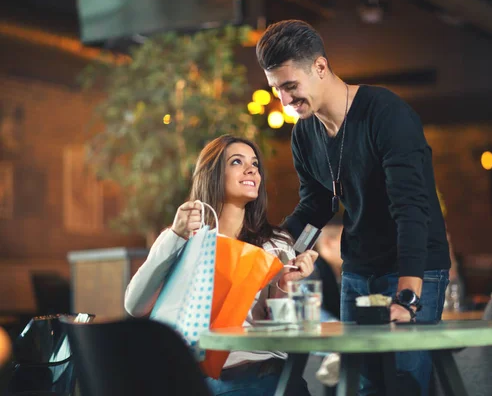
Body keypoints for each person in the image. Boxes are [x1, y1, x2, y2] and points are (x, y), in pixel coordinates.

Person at [256, 20, 451, 395]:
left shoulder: (386, 114)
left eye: (290, 86)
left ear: (320, 67)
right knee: (361, 385)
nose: (283, 101)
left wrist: (409, 295)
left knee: (405, 383)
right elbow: (317, 204)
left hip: (412, 265)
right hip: (359, 271)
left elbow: (411, 207)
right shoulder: (304, 133)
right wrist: (276, 248)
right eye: (276, 90)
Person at [124, 134, 317, 396]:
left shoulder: (276, 243)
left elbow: (283, 333)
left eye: (255, 164)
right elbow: (135, 305)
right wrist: (174, 236)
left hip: (256, 371)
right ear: (211, 175)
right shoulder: (185, 240)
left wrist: (285, 287)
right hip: (190, 378)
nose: (251, 169)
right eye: (237, 161)